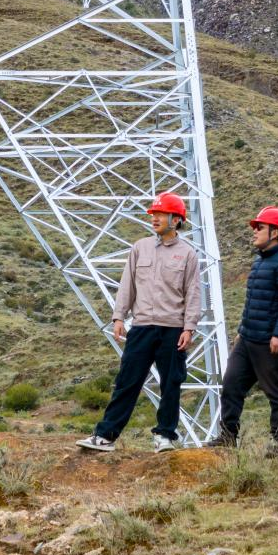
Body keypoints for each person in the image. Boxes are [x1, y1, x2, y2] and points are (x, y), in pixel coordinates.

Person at [77, 192, 201, 453]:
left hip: (173, 329)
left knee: (171, 384)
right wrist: (119, 317)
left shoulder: (188, 254)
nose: (154, 218)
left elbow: (193, 293)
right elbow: (127, 285)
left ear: (176, 220)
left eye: (161, 214)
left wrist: (189, 327)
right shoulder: (139, 248)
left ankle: (164, 436)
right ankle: (106, 436)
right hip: (142, 327)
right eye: (153, 214)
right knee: (127, 381)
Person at [209, 206, 278, 457]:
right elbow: (252, 301)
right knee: (231, 385)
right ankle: (228, 436)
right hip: (248, 338)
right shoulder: (259, 261)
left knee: (276, 393)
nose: (254, 231)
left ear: (276, 232)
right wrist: (241, 331)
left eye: (260, 227)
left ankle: (276, 444)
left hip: (270, 341)